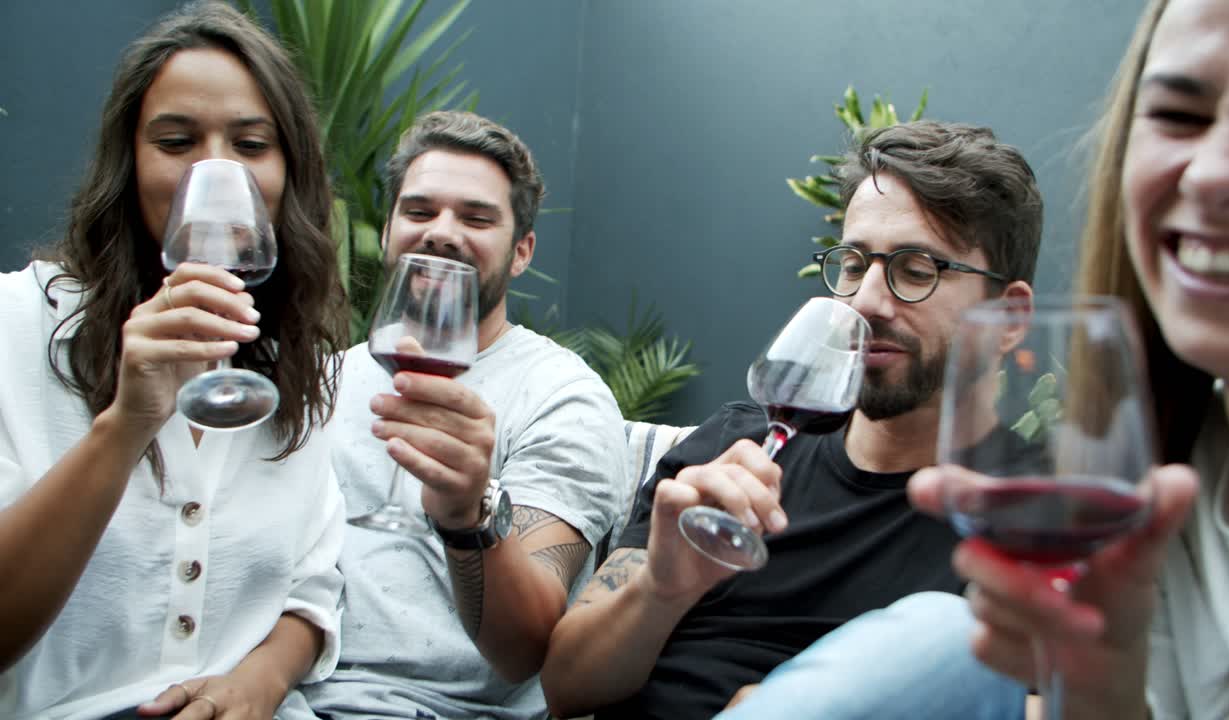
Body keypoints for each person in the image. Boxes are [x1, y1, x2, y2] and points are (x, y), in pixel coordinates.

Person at [720, 0, 1229, 718]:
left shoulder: (1047, 500)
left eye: (917, 267)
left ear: (1012, 318)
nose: (1214, 175)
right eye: (1178, 115)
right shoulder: (1165, 465)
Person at [540, 119, 1045, 720]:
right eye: (855, 264)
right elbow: (566, 686)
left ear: (1010, 317)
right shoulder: (729, 454)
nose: (867, 302)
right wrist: (663, 590)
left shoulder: (1044, 515)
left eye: (917, 270)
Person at [0, 3, 348, 718]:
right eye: (177, 141)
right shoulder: (16, 324)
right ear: (129, 162)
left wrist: (259, 685)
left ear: (290, 172)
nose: (215, 172)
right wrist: (127, 423)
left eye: (251, 145)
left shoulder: (297, 361)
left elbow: (313, 587)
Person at [301, 110, 626, 720]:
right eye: (419, 212)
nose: (441, 233)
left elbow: (525, 648)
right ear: (391, 228)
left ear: (522, 250)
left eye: (476, 218)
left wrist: (466, 514)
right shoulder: (326, 381)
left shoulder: (562, 397)